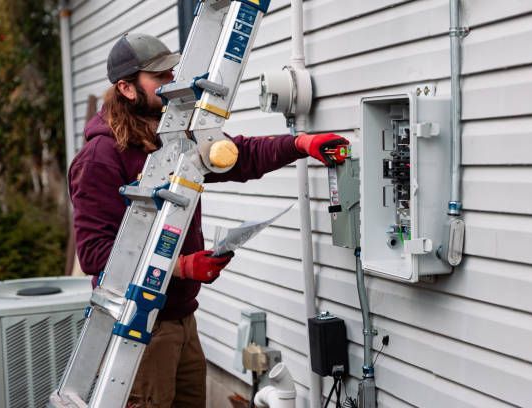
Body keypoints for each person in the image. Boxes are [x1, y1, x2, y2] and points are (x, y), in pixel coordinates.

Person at [68, 33, 348, 408]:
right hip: (139, 329)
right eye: (160, 77)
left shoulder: (171, 134)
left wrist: (299, 145)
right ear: (127, 88)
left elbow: (237, 155)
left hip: (183, 320)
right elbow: (95, 256)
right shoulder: (99, 158)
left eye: (172, 72)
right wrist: (181, 266)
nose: (172, 83)